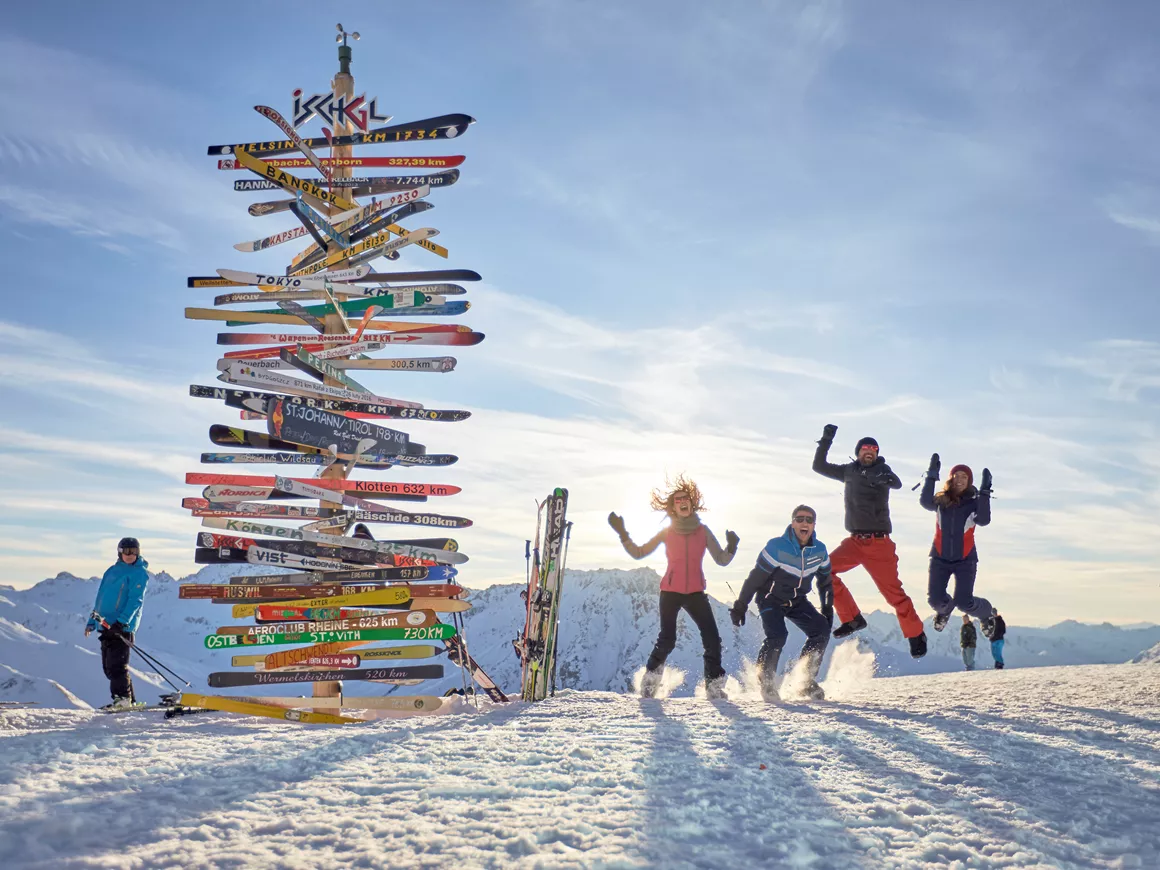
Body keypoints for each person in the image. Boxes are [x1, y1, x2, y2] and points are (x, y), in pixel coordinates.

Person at [609, 475, 739, 699]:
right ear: (673, 507)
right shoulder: (667, 532)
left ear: (691, 503)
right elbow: (639, 552)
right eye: (678, 499)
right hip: (670, 592)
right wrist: (623, 534)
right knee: (667, 639)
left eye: (686, 497)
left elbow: (721, 559)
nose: (682, 501)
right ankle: (650, 683)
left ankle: (714, 685)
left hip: (696, 593)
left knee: (712, 638)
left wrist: (732, 546)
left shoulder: (703, 531)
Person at [812, 424, 928, 658]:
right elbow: (819, 466)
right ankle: (852, 618)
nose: (869, 451)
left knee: (894, 595)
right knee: (824, 570)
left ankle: (916, 634)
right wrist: (826, 440)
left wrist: (877, 475)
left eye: (873, 449)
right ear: (857, 452)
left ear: (876, 454)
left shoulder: (882, 469)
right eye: (865, 448)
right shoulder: (848, 471)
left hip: (879, 545)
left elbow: (896, 483)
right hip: (854, 542)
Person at [729, 505, 833, 701]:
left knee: (821, 630)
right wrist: (741, 605)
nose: (804, 523)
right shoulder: (777, 546)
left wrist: (827, 610)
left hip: (797, 600)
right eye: (800, 519)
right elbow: (755, 578)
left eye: (809, 520)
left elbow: (826, 582)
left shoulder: (819, 550)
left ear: (814, 525)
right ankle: (766, 681)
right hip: (770, 597)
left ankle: (805, 681)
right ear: (792, 523)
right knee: (777, 636)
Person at [920, 456, 996, 634]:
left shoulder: (974, 502)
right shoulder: (941, 501)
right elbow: (925, 502)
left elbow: (984, 520)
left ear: (969, 481)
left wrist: (984, 492)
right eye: (957, 476)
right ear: (951, 479)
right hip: (940, 557)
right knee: (935, 601)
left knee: (964, 602)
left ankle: (986, 614)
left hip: (965, 559)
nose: (960, 479)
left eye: (964, 477)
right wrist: (931, 476)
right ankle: (945, 611)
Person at [84, 537, 150, 709]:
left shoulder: (139, 573)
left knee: (117, 666)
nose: (130, 555)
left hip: (121, 627)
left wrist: (121, 622)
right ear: (119, 552)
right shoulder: (112, 571)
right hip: (105, 625)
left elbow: (135, 601)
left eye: (133, 551)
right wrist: (92, 621)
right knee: (109, 668)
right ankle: (129, 700)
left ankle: (122, 699)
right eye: (126, 551)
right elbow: (101, 597)